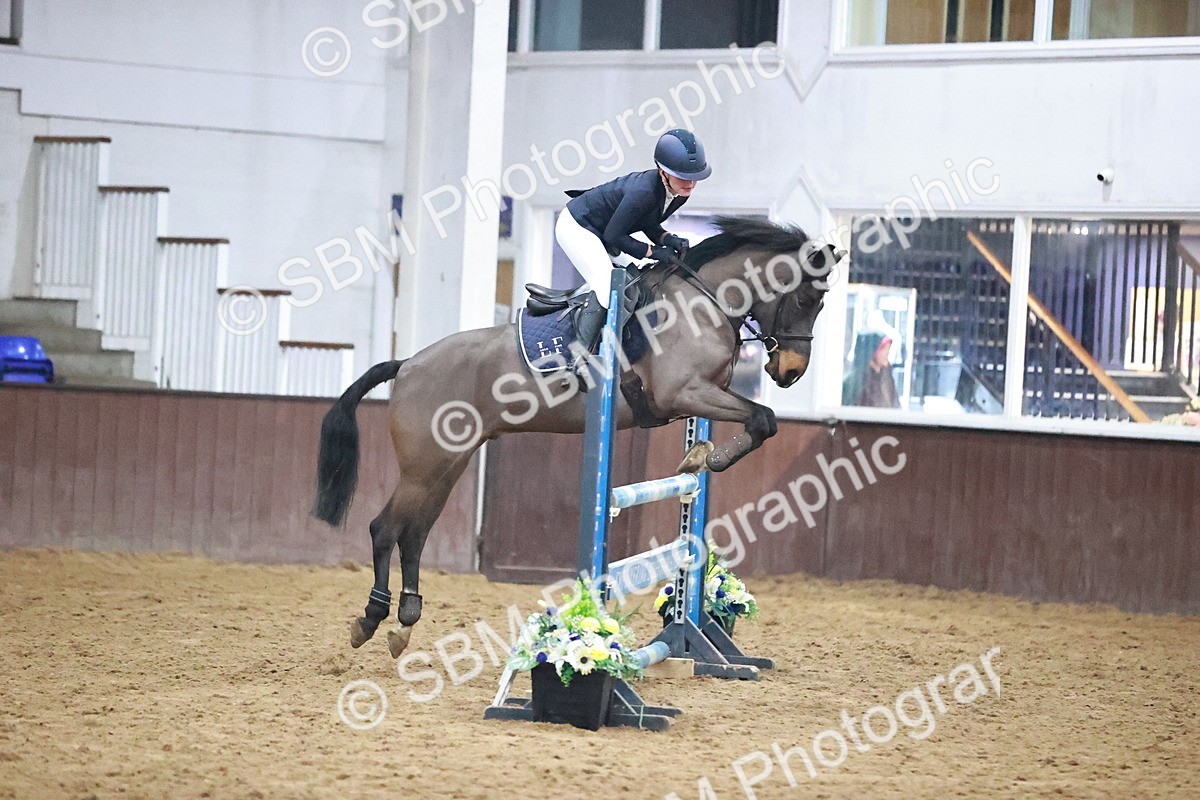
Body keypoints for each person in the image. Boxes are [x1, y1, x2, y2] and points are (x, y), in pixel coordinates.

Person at [554, 128, 712, 368]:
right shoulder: (644, 191)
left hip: (604, 232)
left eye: (695, 176)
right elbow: (615, 235)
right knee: (606, 284)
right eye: (683, 176)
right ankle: (579, 357)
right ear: (663, 173)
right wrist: (654, 252)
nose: (691, 183)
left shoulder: (681, 192)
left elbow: (647, 222)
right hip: (578, 227)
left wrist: (668, 238)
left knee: (636, 283)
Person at [842, 328, 900, 408]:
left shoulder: (887, 378)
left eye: (888, 349)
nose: (887, 352)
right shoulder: (853, 382)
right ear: (871, 351)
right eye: (883, 349)